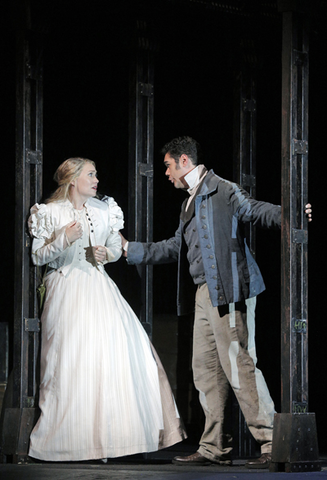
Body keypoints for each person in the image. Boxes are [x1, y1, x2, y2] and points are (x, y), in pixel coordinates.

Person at [120, 136, 312, 469]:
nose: (165, 173)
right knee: (206, 371)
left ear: (183, 161)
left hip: (230, 288)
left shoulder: (221, 188)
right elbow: (174, 248)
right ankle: (214, 446)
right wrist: (128, 250)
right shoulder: (188, 202)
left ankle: (271, 442)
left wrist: (291, 213)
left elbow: (253, 210)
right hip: (203, 294)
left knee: (240, 367)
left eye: (167, 166)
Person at [27, 157, 186, 462]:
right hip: (67, 285)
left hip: (100, 287)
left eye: (96, 173)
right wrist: (63, 239)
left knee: (118, 356)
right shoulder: (49, 212)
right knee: (72, 360)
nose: (96, 179)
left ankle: (115, 440)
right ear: (73, 179)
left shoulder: (104, 209)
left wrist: (107, 253)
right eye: (90, 174)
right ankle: (73, 440)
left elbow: (115, 247)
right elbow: (38, 256)